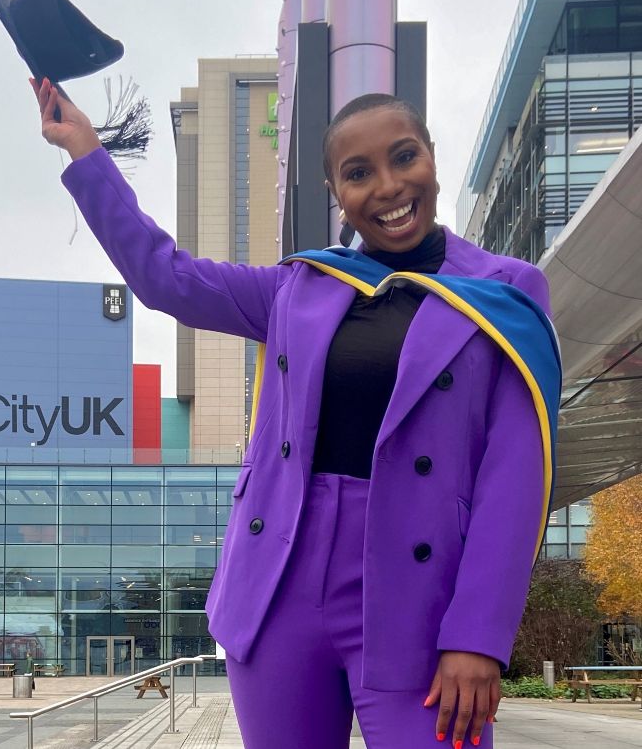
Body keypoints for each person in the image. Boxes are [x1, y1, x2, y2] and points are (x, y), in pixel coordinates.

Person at [31, 78, 559, 749]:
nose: (389, 187)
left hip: (417, 602)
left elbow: (514, 479)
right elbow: (165, 276)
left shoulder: (506, 292)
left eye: (404, 157)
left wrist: (478, 637)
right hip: (280, 587)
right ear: (337, 193)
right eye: (359, 173)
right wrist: (85, 152)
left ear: (431, 155)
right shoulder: (297, 287)